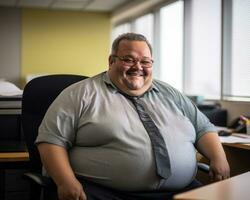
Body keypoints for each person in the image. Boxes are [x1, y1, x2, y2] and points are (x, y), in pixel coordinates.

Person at [35, 32, 230, 200]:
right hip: (106, 193)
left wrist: (218, 157)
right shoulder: (80, 94)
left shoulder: (170, 93)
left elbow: (203, 128)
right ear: (111, 61)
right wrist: (66, 182)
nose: (138, 66)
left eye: (145, 61)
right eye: (129, 59)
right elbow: (51, 141)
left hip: (180, 191)